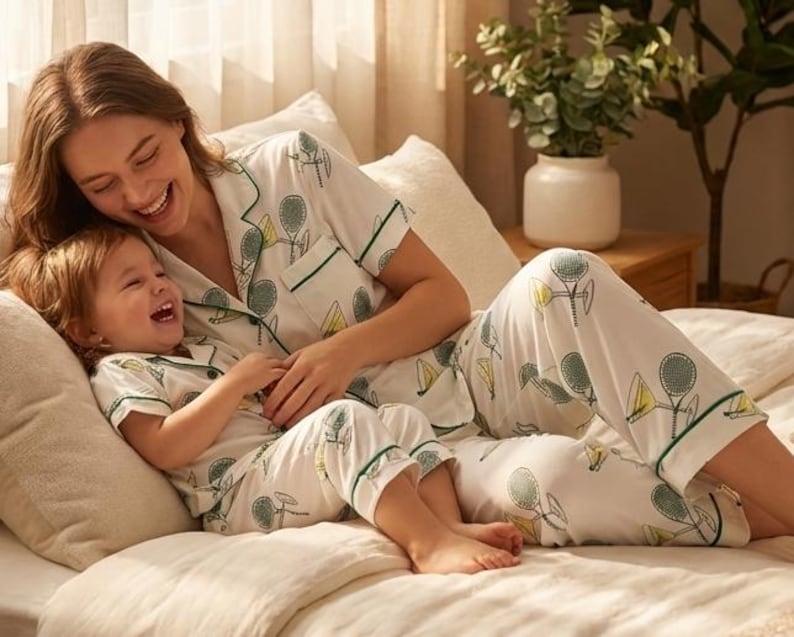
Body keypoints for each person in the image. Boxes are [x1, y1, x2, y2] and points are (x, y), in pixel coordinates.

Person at [4, 41, 794, 549]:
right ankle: (752, 513)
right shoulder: (118, 282)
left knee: (566, 276)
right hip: (424, 459)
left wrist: (341, 351)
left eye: (145, 155)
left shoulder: (293, 167)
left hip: (468, 364)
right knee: (551, 480)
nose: (139, 193)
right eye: (103, 184)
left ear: (177, 122)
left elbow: (445, 296)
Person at [2, 223, 523, 574]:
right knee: (344, 423)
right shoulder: (122, 373)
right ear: (88, 330)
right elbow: (162, 446)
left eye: (159, 273)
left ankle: (446, 523)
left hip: (274, 462)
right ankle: (425, 545)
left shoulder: (200, 349)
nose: (161, 287)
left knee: (399, 418)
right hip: (238, 496)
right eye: (134, 283)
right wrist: (234, 386)